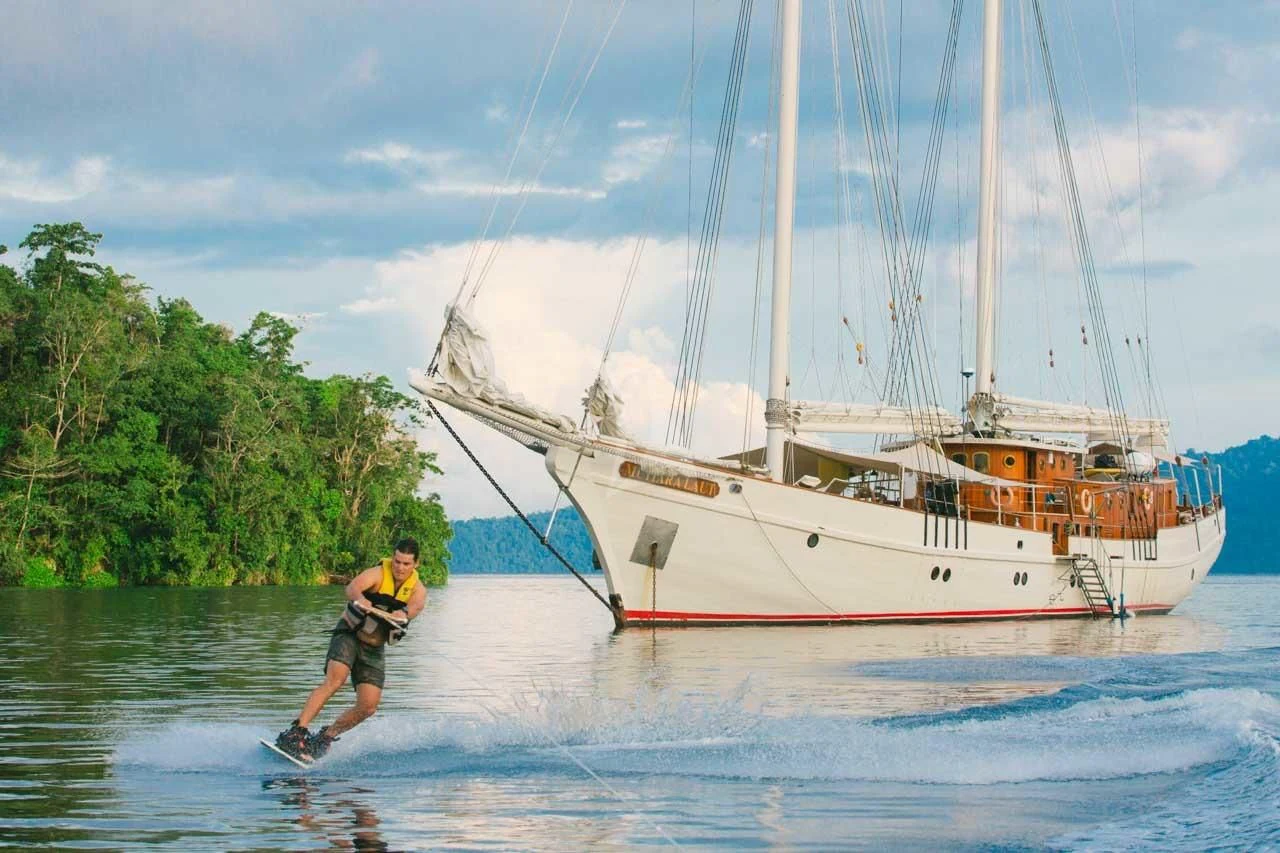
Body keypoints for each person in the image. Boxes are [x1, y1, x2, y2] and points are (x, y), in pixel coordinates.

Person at [275, 538, 427, 761]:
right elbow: (352, 587)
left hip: (374, 649)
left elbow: (413, 609)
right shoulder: (376, 574)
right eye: (397, 561)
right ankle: (296, 732)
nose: (399, 568)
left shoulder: (418, 592)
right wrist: (361, 599)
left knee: (368, 706)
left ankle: (325, 738)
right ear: (392, 558)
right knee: (335, 680)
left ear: (416, 565)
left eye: (406, 564)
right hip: (350, 636)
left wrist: (402, 615)